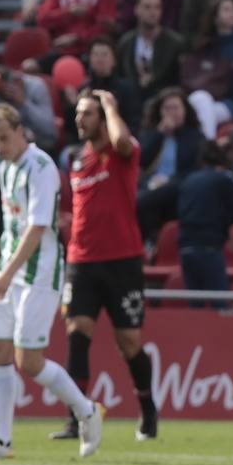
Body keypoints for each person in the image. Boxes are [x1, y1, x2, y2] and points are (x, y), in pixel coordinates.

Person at [0, 68, 105, 460]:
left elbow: (37, 230)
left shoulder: (41, 168)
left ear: (21, 131)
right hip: (9, 270)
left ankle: (86, 411)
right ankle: (1, 440)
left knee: (29, 361)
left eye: (4, 138)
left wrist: (2, 275)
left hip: (37, 273)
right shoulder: (4, 158)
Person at [50, 87, 157, 444]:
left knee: (128, 342)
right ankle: (77, 417)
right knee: (77, 333)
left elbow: (123, 140)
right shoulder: (75, 159)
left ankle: (147, 406)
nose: (80, 119)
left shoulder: (121, 153)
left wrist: (111, 104)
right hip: (82, 261)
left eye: (89, 113)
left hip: (123, 260)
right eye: (78, 113)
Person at [176, 140, 233, 300]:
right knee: (220, 304)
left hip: (185, 249)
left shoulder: (188, 181)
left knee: (195, 307)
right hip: (209, 249)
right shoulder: (225, 178)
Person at [184, 0, 233, 140]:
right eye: (226, 10)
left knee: (201, 105)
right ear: (215, 17)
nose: (232, 13)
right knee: (199, 100)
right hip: (205, 97)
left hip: (232, 103)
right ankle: (207, 148)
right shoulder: (205, 44)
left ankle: (208, 149)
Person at [137, 88, 205, 238]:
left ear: (185, 111)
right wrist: (159, 134)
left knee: (142, 202)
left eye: (176, 108)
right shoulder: (150, 134)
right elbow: (141, 160)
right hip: (149, 185)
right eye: (167, 108)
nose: (171, 113)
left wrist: (168, 181)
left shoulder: (195, 137)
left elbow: (194, 169)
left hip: (178, 186)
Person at [116, 0, 186, 100]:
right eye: (147, 7)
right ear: (137, 9)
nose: (153, 12)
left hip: (164, 99)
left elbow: (179, 79)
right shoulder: (125, 43)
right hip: (132, 100)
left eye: (157, 7)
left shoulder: (175, 43)